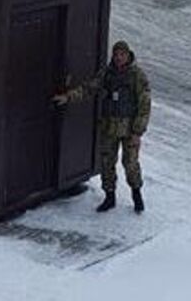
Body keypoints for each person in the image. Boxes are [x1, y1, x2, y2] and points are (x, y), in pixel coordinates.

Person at [53, 40, 151, 214]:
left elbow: (144, 106)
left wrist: (138, 131)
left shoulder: (137, 76)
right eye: (116, 54)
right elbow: (89, 88)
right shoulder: (107, 74)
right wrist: (68, 97)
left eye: (122, 55)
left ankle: (137, 195)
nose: (119, 58)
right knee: (107, 162)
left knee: (130, 164)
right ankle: (109, 197)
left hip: (129, 130)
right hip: (109, 127)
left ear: (128, 55)